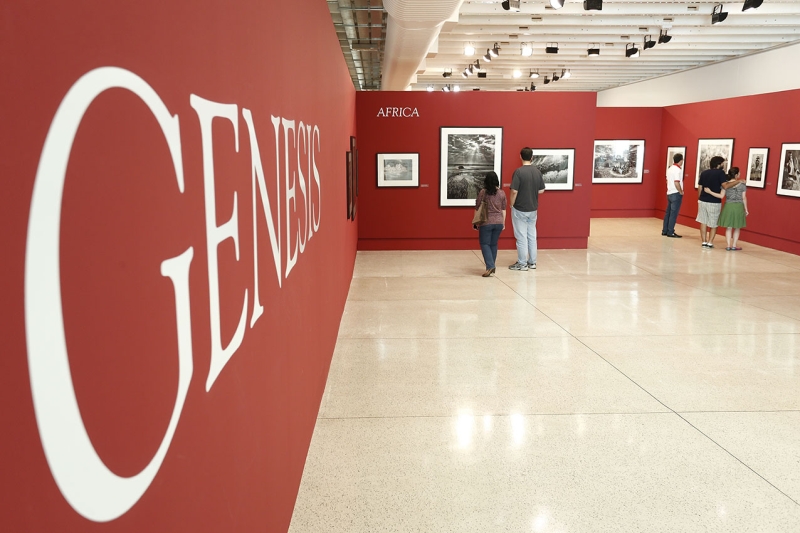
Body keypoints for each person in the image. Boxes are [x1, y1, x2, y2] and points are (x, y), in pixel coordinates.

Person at [508, 147, 545, 271]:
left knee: (521, 237)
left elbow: (514, 191)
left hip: (520, 208)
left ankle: (522, 263)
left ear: (520, 156)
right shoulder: (537, 172)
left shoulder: (518, 172)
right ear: (532, 157)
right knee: (532, 235)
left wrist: (511, 204)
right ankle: (532, 262)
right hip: (533, 209)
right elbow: (541, 190)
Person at [696, 156, 741, 248]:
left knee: (703, 221)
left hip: (702, 201)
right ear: (719, 164)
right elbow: (725, 186)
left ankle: (704, 241)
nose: (724, 165)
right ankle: (710, 242)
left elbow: (700, 187)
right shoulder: (720, 173)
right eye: (723, 163)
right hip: (714, 202)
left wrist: (700, 198)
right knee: (713, 223)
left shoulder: (704, 173)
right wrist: (738, 181)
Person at [705, 167, 748, 250]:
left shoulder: (726, 185)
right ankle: (734, 245)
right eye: (739, 173)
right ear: (736, 175)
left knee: (729, 227)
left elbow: (721, 196)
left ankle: (728, 245)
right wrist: (746, 209)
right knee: (737, 227)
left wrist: (710, 192)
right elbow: (744, 198)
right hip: (738, 206)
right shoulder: (742, 185)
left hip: (728, 206)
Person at [474, 172, 507, 277]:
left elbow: (478, 207)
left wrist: (476, 221)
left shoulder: (483, 193)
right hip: (498, 222)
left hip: (486, 222)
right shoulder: (502, 193)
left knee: (484, 244)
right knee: (493, 244)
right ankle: (491, 265)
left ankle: (490, 266)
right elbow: (504, 209)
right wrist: (503, 223)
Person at [662, 153, 684, 238]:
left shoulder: (670, 168)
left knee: (668, 213)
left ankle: (665, 230)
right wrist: (681, 191)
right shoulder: (678, 170)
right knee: (673, 214)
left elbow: (667, 181)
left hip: (669, 192)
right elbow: (677, 182)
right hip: (675, 193)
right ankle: (670, 231)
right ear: (681, 160)